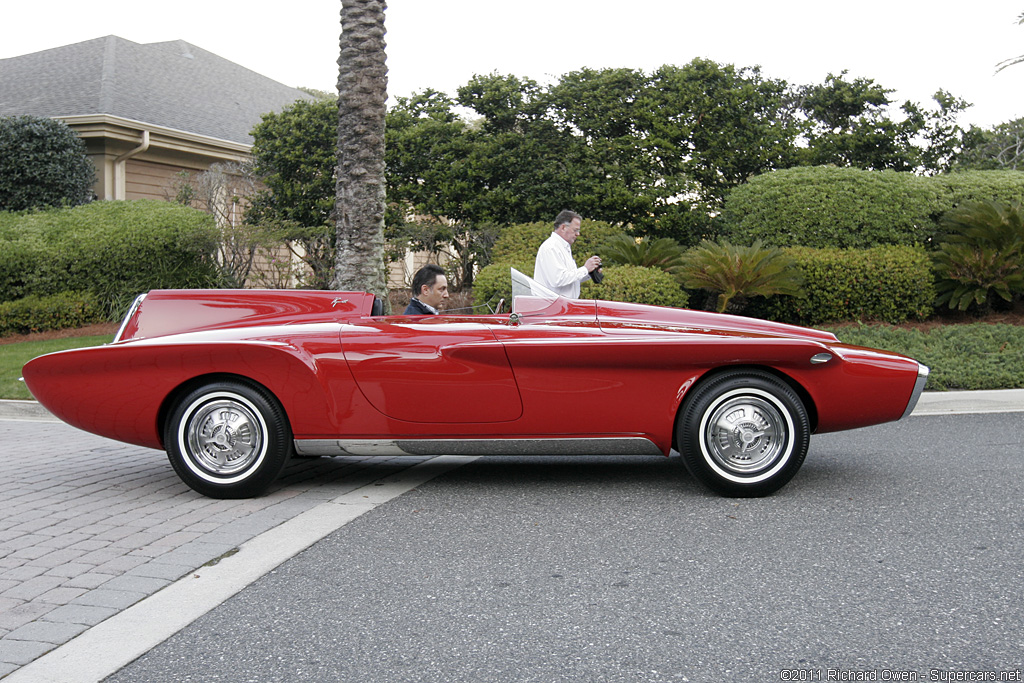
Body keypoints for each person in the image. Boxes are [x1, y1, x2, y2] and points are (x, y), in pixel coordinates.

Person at [533, 209, 602, 299]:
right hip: (552, 307)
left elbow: (569, 281)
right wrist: (585, 269)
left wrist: (590, 272)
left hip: (563, 306)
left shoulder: (563, 247)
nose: (578, 234)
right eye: (575, 230)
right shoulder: (551, 247)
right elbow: (558, 279)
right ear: (563, 227)